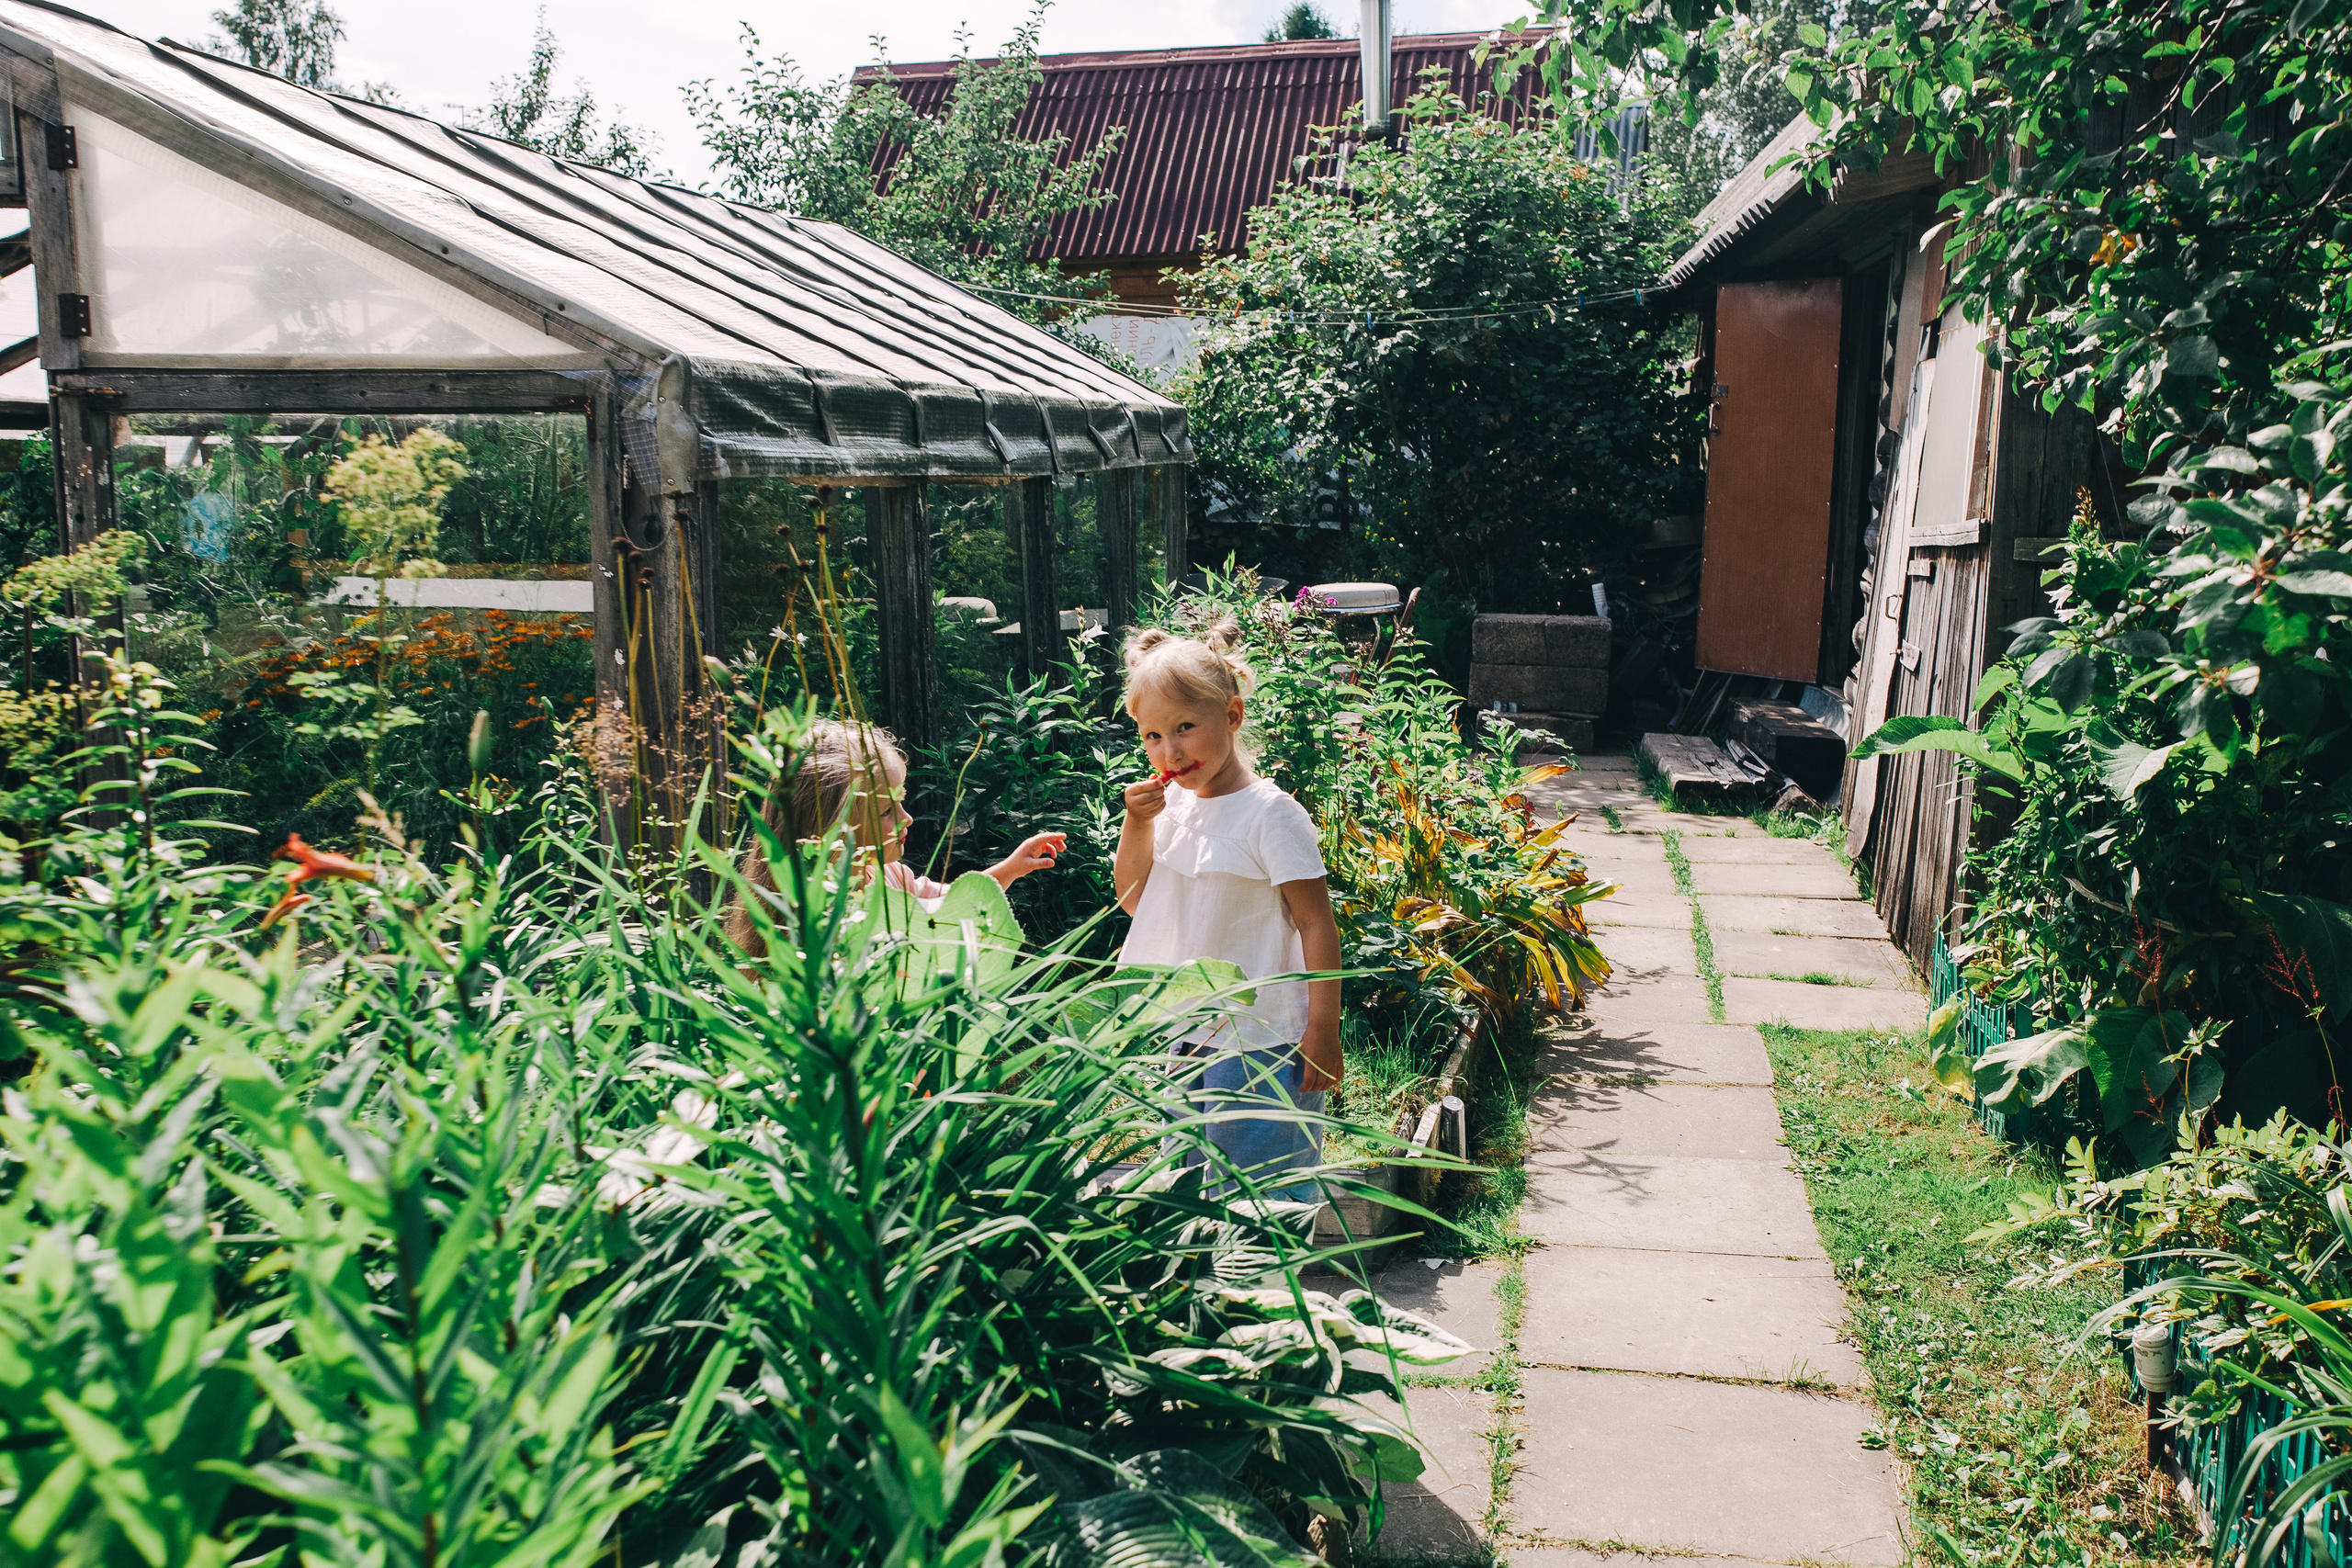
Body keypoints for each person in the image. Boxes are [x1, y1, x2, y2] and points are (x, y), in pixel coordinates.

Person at [1116, 620, 1342, 1199]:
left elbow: (1316, 923)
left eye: (1185, 728)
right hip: (1191, 1032)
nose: (1170, 751)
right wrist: (1136, 823)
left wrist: (1322, 1030)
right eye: (1152, 735)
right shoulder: (1171, 807)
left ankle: (1263, 1260)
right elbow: (1135, 900)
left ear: (1233, 716)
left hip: (1266, 1040)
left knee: (1264, 1191)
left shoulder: (1271, 815)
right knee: (1187, 1185)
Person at [728, 718, 1064, 956]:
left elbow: (955, 904)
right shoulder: (809, 916)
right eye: (888, 811)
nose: (907, 818)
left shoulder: (892, 878)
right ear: (832, 829)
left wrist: (1011, 867)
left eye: (901, 802)